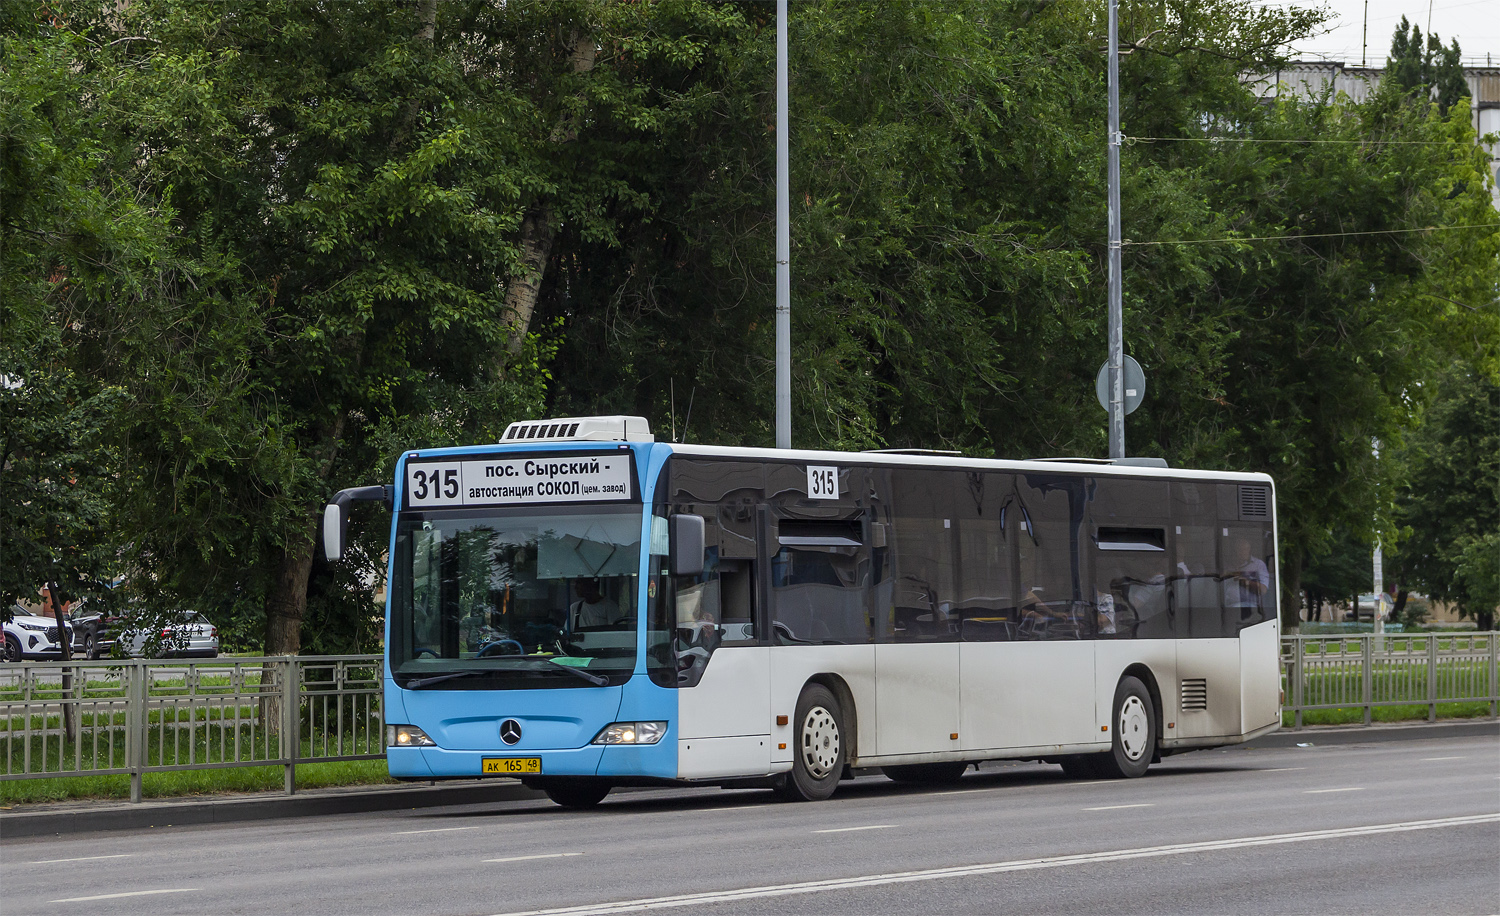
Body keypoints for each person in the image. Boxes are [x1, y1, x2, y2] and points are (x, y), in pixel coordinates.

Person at [1224, 538, 1269, 615]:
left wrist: (1246, 582)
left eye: (1245, 549)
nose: (1243, 552)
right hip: (1227, 607)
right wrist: (1229, 574)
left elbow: (1263, 590)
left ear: (1250, 550)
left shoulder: (1258, 564)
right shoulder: (1228, 565)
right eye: (1240, 550)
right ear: (1235, 551)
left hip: (1250, 607)